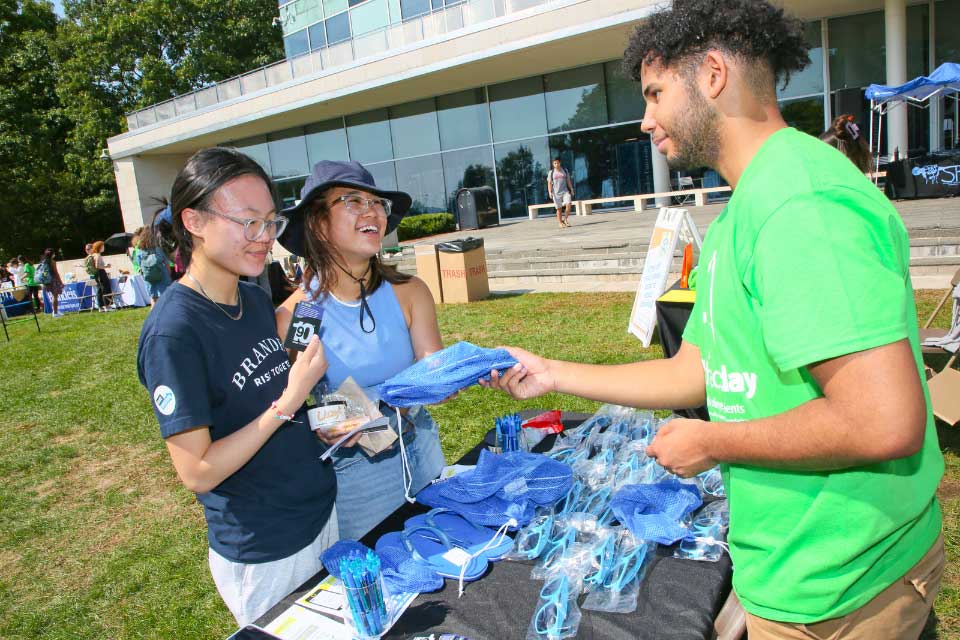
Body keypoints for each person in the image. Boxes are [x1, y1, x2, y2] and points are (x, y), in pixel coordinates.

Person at [483, 1, 944, 638]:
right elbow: (696, 371)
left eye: (655, 93)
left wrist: (711, 443)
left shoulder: (800, 205)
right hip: (787, 572)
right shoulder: (739, 215)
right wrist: (553, 373)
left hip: (845, 594)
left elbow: (882, 419)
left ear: (714, 75)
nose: (645, 120)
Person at [136, 147, 337, 626]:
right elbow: (198, 471)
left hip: (319, 514)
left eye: (270, 222)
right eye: (249, 222)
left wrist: (312, 302)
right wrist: (290, 402)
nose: (265, 238)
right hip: (266, 548)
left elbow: (271, 368)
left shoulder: (250, 294)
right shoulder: (174, 332)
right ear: (195, 221)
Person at [276, 160, 446, 540]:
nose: (372, 211)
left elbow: (435, 374)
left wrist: (460, 373)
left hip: (421, 445)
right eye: (352, 200)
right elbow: (292, 404)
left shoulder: (410, 292)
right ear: (318, 224)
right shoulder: (302, 314)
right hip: (358, 476)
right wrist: (322, 422)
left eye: (376, 203)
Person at [136, 223, 173, 305]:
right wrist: (169, 275)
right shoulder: (158, 248)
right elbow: (166, 263)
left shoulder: (140, 251)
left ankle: (153, 317)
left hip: (149, 277)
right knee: (166, 300)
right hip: (162, 275)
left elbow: (139, 266)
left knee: (153, 300)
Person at [547, 158, 575, 228]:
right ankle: (560, 223)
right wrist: (550, 192)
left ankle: (565, 220)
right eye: (554, 163)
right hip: (556, 193)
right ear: (553, 164)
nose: (556, 165)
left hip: (565, 191)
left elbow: (568, 181)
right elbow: (549, 183)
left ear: (560, 163)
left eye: (557, 163)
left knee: (568, 204)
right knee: (559, 209)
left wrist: (571, 189)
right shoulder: (551, 172)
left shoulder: (565, 171)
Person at [37, 248, 63, 317]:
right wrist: (61, 282)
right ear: (52, 254)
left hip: (47, 281)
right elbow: (56, 273)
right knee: (55, 296)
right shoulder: (52, 262)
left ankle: (55, 311)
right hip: (53, 280)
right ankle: (55, 312)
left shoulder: (43, 262)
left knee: (53, 296)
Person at [90, 241, 114, 311]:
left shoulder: (93, 255)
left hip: (97, 274)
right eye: (102, 246)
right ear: (99, 247)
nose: (104, 248)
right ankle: (107, 306)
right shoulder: (98, 255)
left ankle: (101, 307)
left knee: (100, 290)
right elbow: (97, 266)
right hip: (101, 273)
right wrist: (106, 266)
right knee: (105, 289)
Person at [83, 243, 101, 310]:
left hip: (92, 276)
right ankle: (100, 306)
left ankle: (98, 306)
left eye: (88, 249)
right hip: (94, 275)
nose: (86, 250)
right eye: (86, 249)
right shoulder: (92, 257)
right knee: (99, 290)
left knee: (97, 291)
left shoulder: (87, 258)